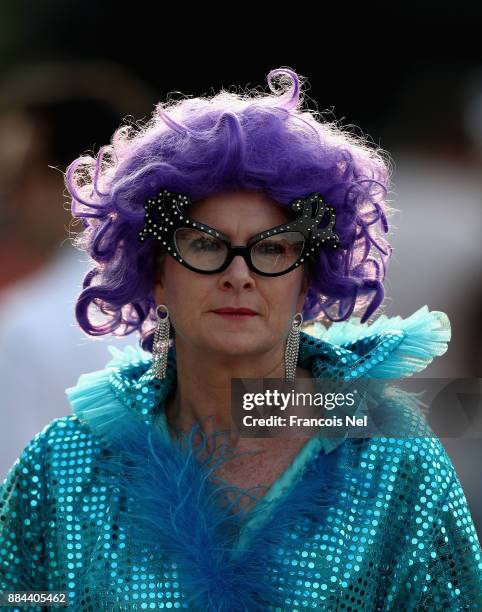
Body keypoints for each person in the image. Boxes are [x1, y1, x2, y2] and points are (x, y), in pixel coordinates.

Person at [1, 67, 481, 611]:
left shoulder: (395, 467)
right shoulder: (63, 465)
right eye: (204, 245)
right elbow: (22, 596)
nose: (239, 275)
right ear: (155, 272)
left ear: (308, 281)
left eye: (273, 248)